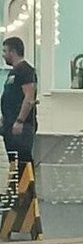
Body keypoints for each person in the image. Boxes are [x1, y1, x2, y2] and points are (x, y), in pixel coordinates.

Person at [0, 36, 37, 175]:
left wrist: (20, 120)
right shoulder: (13, 72)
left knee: (23, 160)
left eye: (5, 51)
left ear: (13, 52)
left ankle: (26, 188)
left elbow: (29, 97)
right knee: (13, 161)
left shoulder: (25, 70)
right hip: (10, 123)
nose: (3, 55)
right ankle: (15, 187)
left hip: (21, 125)